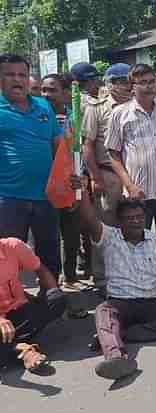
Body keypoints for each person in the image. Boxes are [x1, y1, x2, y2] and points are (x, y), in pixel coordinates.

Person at [73, 175, 156, 380]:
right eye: (130, 218)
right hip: (121, 303)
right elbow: (90, 218)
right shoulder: (109, 237)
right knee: (103, 311)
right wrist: (82, 192)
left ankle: (115, 334)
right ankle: (116, 357)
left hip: (154, 303)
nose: (136, 221)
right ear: (120, 221)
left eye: (139, 217)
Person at [105, 63, 156, 266]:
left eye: (152, 82)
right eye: (143, 83)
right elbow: (113, 154)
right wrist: (129, 186)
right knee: (136, 242)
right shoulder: (120, 114)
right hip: (138, 192)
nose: (150, 87)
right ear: (132, 86)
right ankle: (140, 286)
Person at [0, 54, 62, 278]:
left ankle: (53, 301)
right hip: (8, 198)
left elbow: (58, 147)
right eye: (9, 75)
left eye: (22, 75)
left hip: (45, 196)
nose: (17, 80)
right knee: (8, 257)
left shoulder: (44, 107)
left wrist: (66, 181)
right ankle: (11, 306)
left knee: (50, 253)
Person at [82, 63, 131, 288]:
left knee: (133, 225)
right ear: (110, 83)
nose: (126, 86)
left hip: (133, 176)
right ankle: (102, 277)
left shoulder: (137, 106)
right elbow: (88, 146)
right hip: (107, 175)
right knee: (105, 228)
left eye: (128, 81)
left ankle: (130, 272)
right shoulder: (97, 108)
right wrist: (94, 177)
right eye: (121, 82)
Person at [41, 73, 88, 285]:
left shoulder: (75, 118)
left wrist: (82, 181)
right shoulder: (37, 117)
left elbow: (82, 151)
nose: (46, 94)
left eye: (52, 90)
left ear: (65, 93)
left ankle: (69, 277)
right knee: (49, 238)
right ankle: (50, 282)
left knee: (71, 236)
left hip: (70, 184)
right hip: (43, 185)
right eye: (44, 90)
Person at [0, 238, 66, 372]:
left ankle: (10, 344)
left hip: (21, 312)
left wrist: (53, 290)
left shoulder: (12, 246)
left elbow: (40, 268)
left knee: (56, 299)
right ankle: (21, 348)